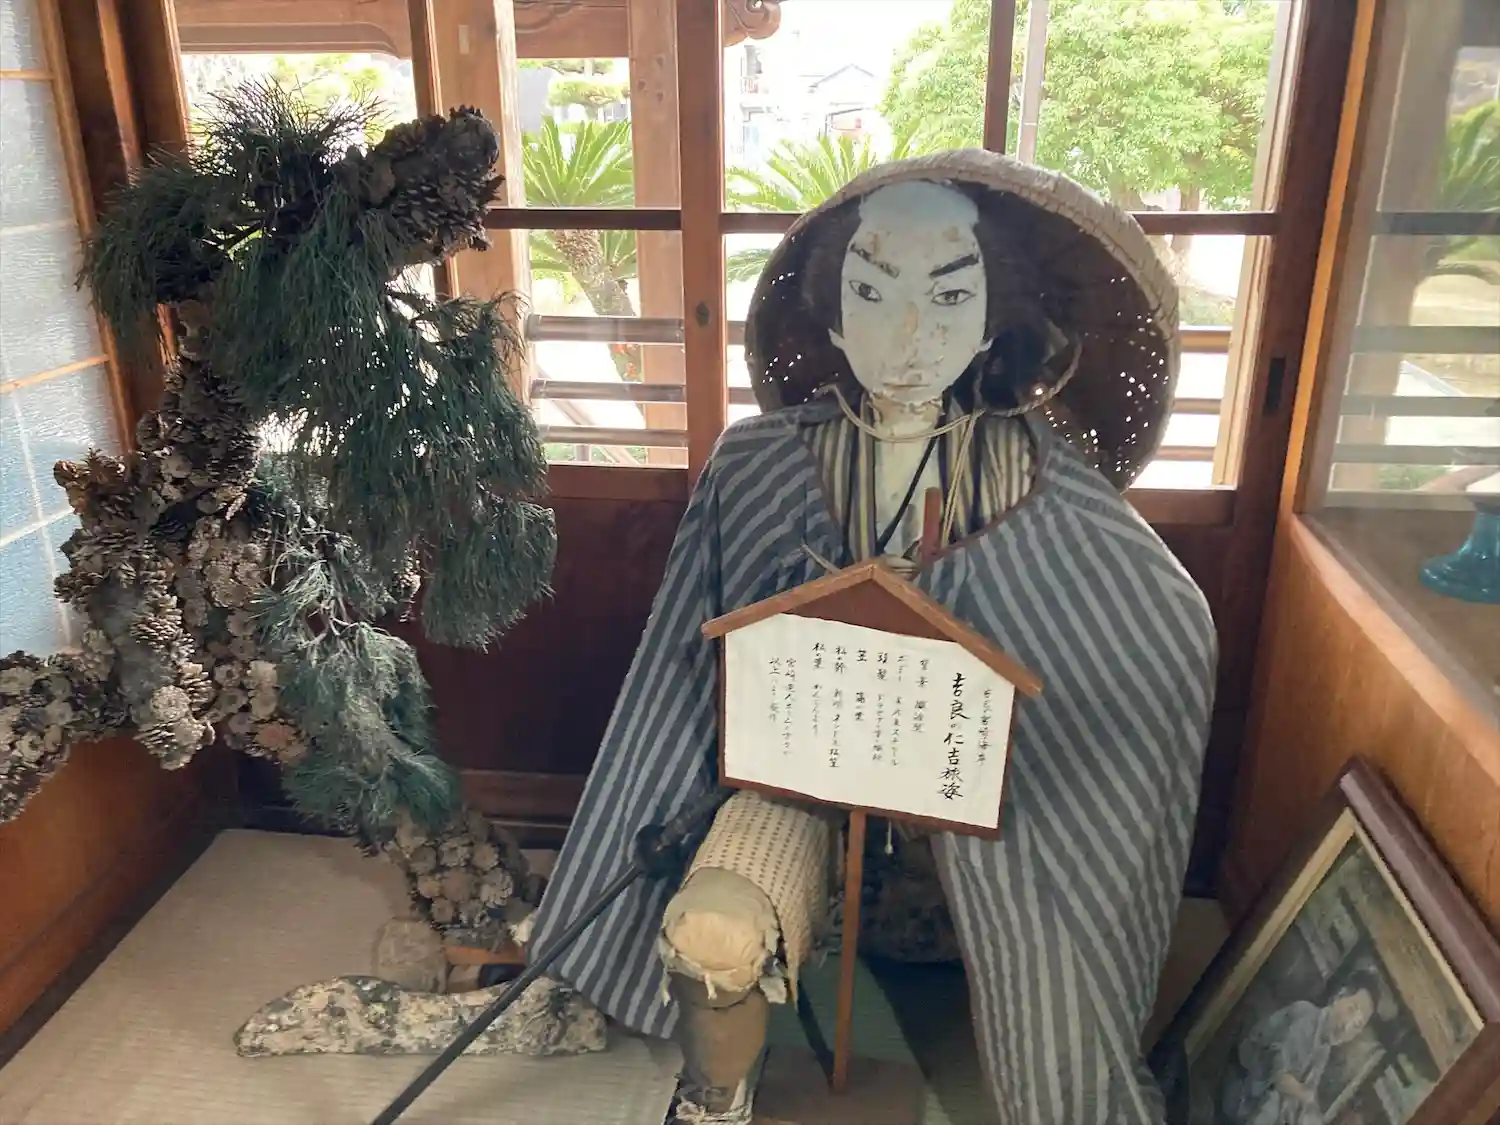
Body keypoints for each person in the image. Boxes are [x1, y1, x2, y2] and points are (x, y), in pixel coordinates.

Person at [527, 150, 1218, 1124]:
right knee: (714, 929)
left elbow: (1155, 625)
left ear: (996, 317)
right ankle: (715, 1094)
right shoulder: (760, 462)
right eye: (873, 291)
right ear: (831, 311)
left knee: (1055, 974)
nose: (908, 334)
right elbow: (681, 670)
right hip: (799, 774)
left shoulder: (1044, 482)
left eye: (949, 296)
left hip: (982, 795)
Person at [1219, 983, 1378, 1125]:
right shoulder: (1307, 1015)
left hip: (1258, 1102)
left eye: (1357, 1025)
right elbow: (1281, 1079)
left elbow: (1304, 1099)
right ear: (1338, 997)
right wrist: (1306, 1096)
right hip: (1241, 1093)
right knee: (1273, 1105)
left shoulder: (1324, 1048)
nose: (1346, 1027)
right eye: (1351, 1010)